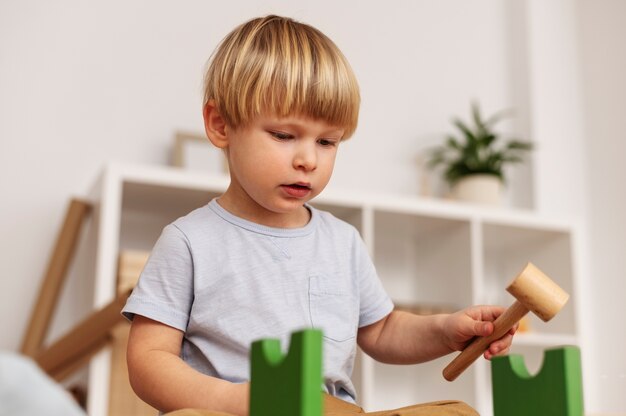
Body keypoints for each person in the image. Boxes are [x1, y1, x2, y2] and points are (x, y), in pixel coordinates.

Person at [122, 15, 516, 416]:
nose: (307, 159)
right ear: (221, 125)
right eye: (283, 135)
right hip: (229, 413)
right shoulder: (188, 241)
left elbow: (382, 330)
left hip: (329, 412)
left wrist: (445, 330)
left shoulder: (341, 241)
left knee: (457, 413)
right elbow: (149, 359)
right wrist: (232, 401)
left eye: (327, 141)